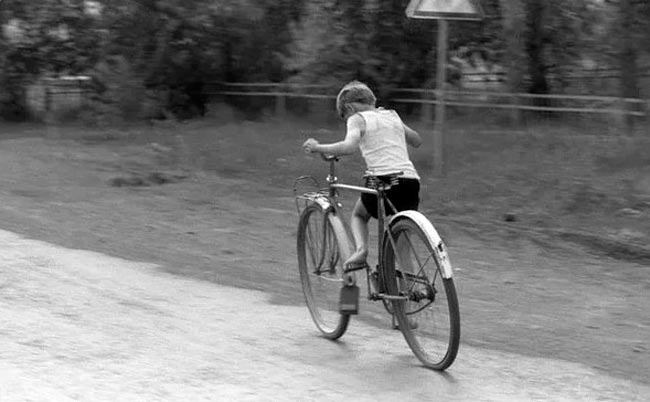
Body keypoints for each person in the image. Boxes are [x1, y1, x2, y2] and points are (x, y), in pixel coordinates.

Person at [303, 81, 422, 269]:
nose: (347, 119)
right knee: (402, 242)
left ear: (349, 107)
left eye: (345, 116)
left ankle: (361, 250)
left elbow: (349, 146)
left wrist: (319, 148)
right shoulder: (391, 115)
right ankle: (411, 290)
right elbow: (416, 140)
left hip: (383, 179)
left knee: (359, 214)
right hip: (410, 181)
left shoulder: (357, 118)